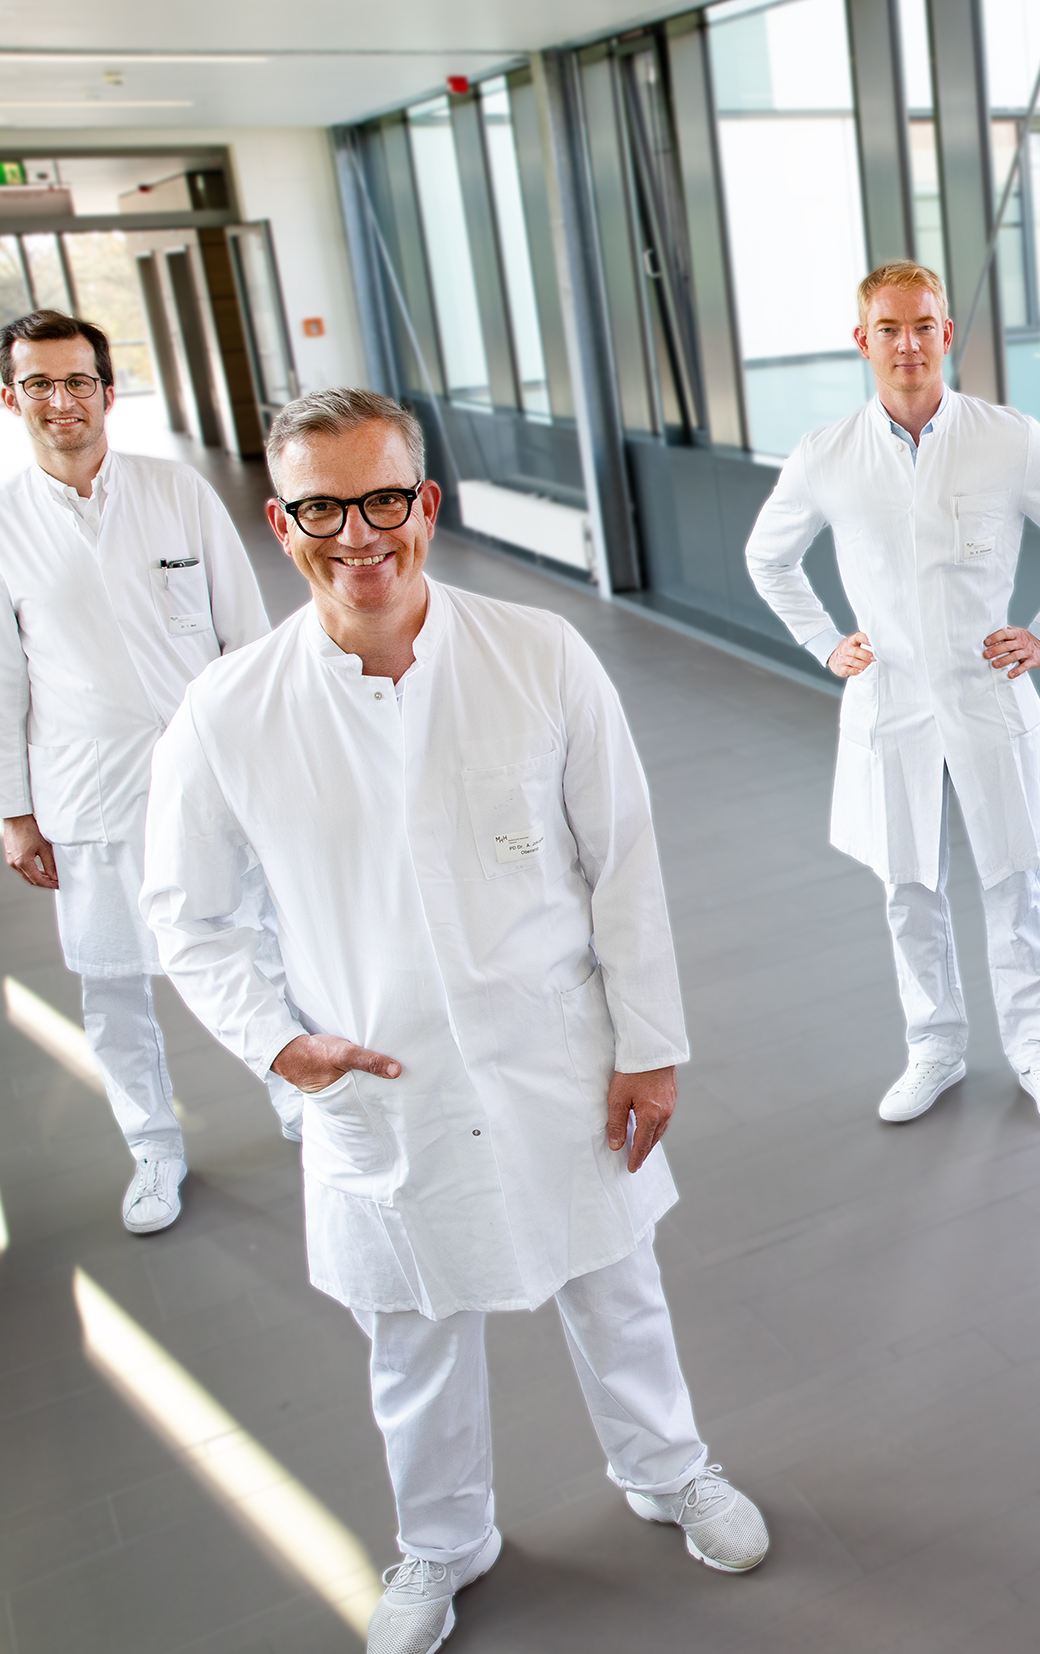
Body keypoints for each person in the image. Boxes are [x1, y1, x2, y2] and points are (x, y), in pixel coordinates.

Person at [140, 390, 767, 1654]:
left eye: (383, 498)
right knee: (412, 1334)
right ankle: (440, 1542)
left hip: (558, 1055)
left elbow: (623, 860)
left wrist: (650, 1042)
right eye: (322, 505)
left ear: (425, 504)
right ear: (280, 522)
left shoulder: (539, 655)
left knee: (614, 1283)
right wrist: (276, 1040)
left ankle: (667, 1468)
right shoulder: (229, 711)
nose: (357, 532)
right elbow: (190, 916)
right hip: (379, 1082)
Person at [744, 260, 1040, 1130]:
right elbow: (770, 556)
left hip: (986, 693)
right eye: (890, 329)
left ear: (946, 334)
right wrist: (823, 641)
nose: (908, 344)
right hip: (891, 703)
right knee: (908, 888)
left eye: (924, 326)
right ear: (863, 341)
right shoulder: (827, 456)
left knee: (1012, 880)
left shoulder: (1008, 439)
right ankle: (935, 1048)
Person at [0, 309, 298, 1235]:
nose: (60, 401)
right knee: (112, 986)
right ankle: (153, 1146)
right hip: (88, 793)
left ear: (109, 392)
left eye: (77, 381)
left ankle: (295, 1092)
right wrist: (16, 815)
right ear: (10, 397)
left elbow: (247, 636)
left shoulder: (176, 493)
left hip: (210, 779)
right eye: (39, 384)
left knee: (261, 945)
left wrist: (272, 764)